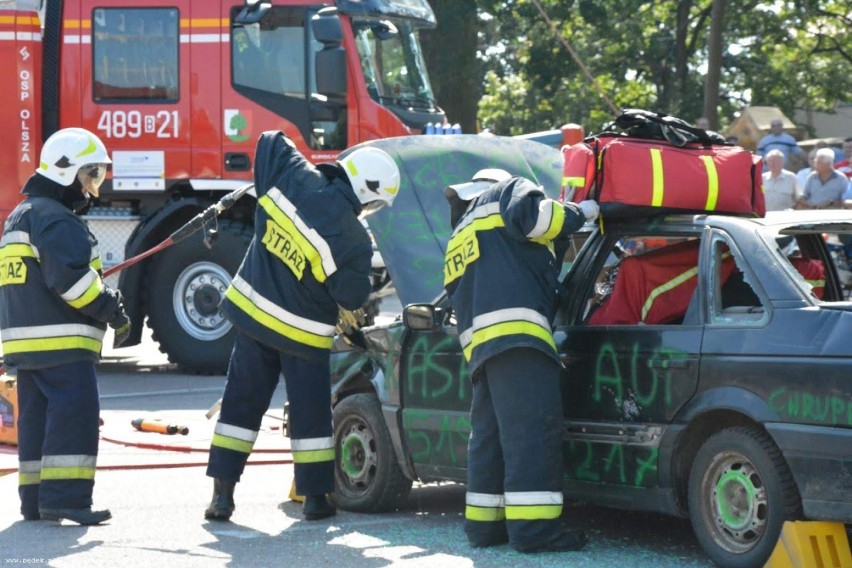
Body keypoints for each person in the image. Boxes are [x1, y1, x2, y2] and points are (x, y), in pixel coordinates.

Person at [204, 131, 400, 522]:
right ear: (369, 195)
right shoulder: (356, 241)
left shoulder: (291, 176)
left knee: (239, 410)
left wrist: (308, 170)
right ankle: (315, 500)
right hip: (302, 337)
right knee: (312, 419)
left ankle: (221, 498)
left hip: (254, 321)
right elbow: (351, 297)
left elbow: (270, 139)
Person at [443, 168, 597, 553]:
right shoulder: (507, 192)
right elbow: (542, 217)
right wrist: (583, 211)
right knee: (531, 436)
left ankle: (484, 528)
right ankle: (535, 532)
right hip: (521, 340)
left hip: (483, 353)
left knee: (489, 441)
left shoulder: (460, 235)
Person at [0, 128, 130, 525]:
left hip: (27, 348)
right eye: (89, 175)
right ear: (64, 173)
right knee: (76, 414)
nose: (93, 188)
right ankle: (68, 499)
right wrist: (114, 308)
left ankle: (36, 499)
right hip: (62, 344)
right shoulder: (58, 220)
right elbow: (72, 284)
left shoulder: (22, 215)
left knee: (36, 420)